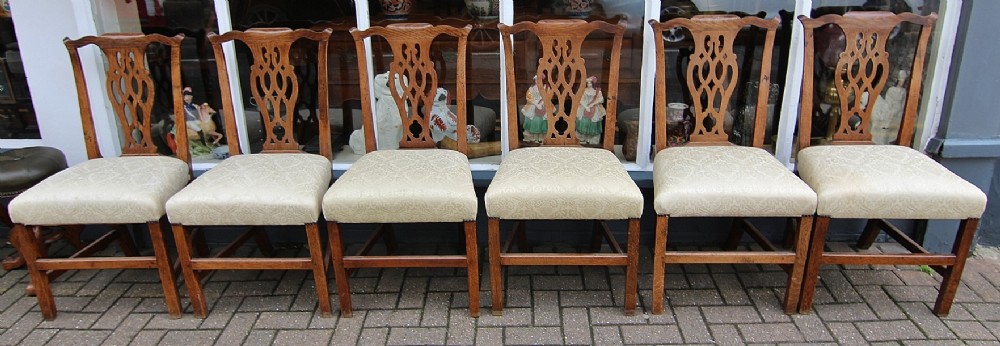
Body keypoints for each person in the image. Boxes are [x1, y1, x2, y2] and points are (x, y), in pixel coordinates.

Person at [575, 76, 605, 145]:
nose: (589, 85)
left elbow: (601, 99)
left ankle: (592, 140)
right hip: (584, 108)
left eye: (590, 83)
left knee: (594, 123)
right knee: (582, 122)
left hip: (595, 109)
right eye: (588, 83)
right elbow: (580, 99)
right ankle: (582, 139)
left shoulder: (597, 91)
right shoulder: (583, 91)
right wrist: (585, 106)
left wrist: (592, 104)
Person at [521, 73, 549, 143]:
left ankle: (542, 136)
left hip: (543, 105)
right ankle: (534, 136)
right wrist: (536, 103)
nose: (538, 81)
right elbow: (529, 97)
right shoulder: (531, 89)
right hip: (533, 105)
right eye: (536, 80)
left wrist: (542, 102)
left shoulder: (546, 88)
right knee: (533, 118)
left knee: (544, 119)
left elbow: (549, 96)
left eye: (540, 80)